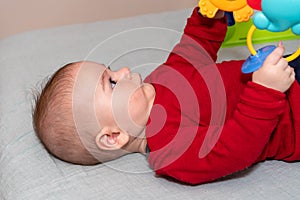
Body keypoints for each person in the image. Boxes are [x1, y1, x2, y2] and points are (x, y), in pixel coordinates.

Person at [33, 7, 300, 185]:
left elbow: (195, 46)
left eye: (111, 69)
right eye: (112, 82)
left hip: (286, 74)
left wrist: (209, 14)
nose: (124, 70)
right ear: (114, 136)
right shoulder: (171, 152)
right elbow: (234, 149)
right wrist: (265, 91)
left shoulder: (160, 79)